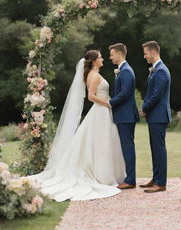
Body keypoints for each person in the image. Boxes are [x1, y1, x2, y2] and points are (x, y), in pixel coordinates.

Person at [29, 50, 126, 202]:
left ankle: (108, 173)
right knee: (101, 142)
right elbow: (91, 96)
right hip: (101, 110)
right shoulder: (93, 75)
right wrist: (107, 103)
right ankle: (102, 174)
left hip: (103, 112)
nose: (103, 60)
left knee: (104, 142)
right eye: (100, 58)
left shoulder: (94, 74)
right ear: (93, 61)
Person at [139, 41, 171, 193]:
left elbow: (156, 96)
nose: (144, 56)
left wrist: (144, 109)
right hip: (155, 116)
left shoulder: (161, 71)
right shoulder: (156, 70)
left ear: (153, 52)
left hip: (158, 116)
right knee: (154, 148)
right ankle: (155, 178)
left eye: (145, 53)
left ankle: (161, 183)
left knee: (159, 149)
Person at [108, 43, 140, 189]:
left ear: (120, 54)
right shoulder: (122, 70)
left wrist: (110, 102)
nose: (110, 57)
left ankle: (131, 180)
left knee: (128, 147)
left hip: (126, 115)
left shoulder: (126, 71)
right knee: (127, 146)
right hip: (123, 115)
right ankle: (129, 177)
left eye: (112, 54)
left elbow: (125, 93)